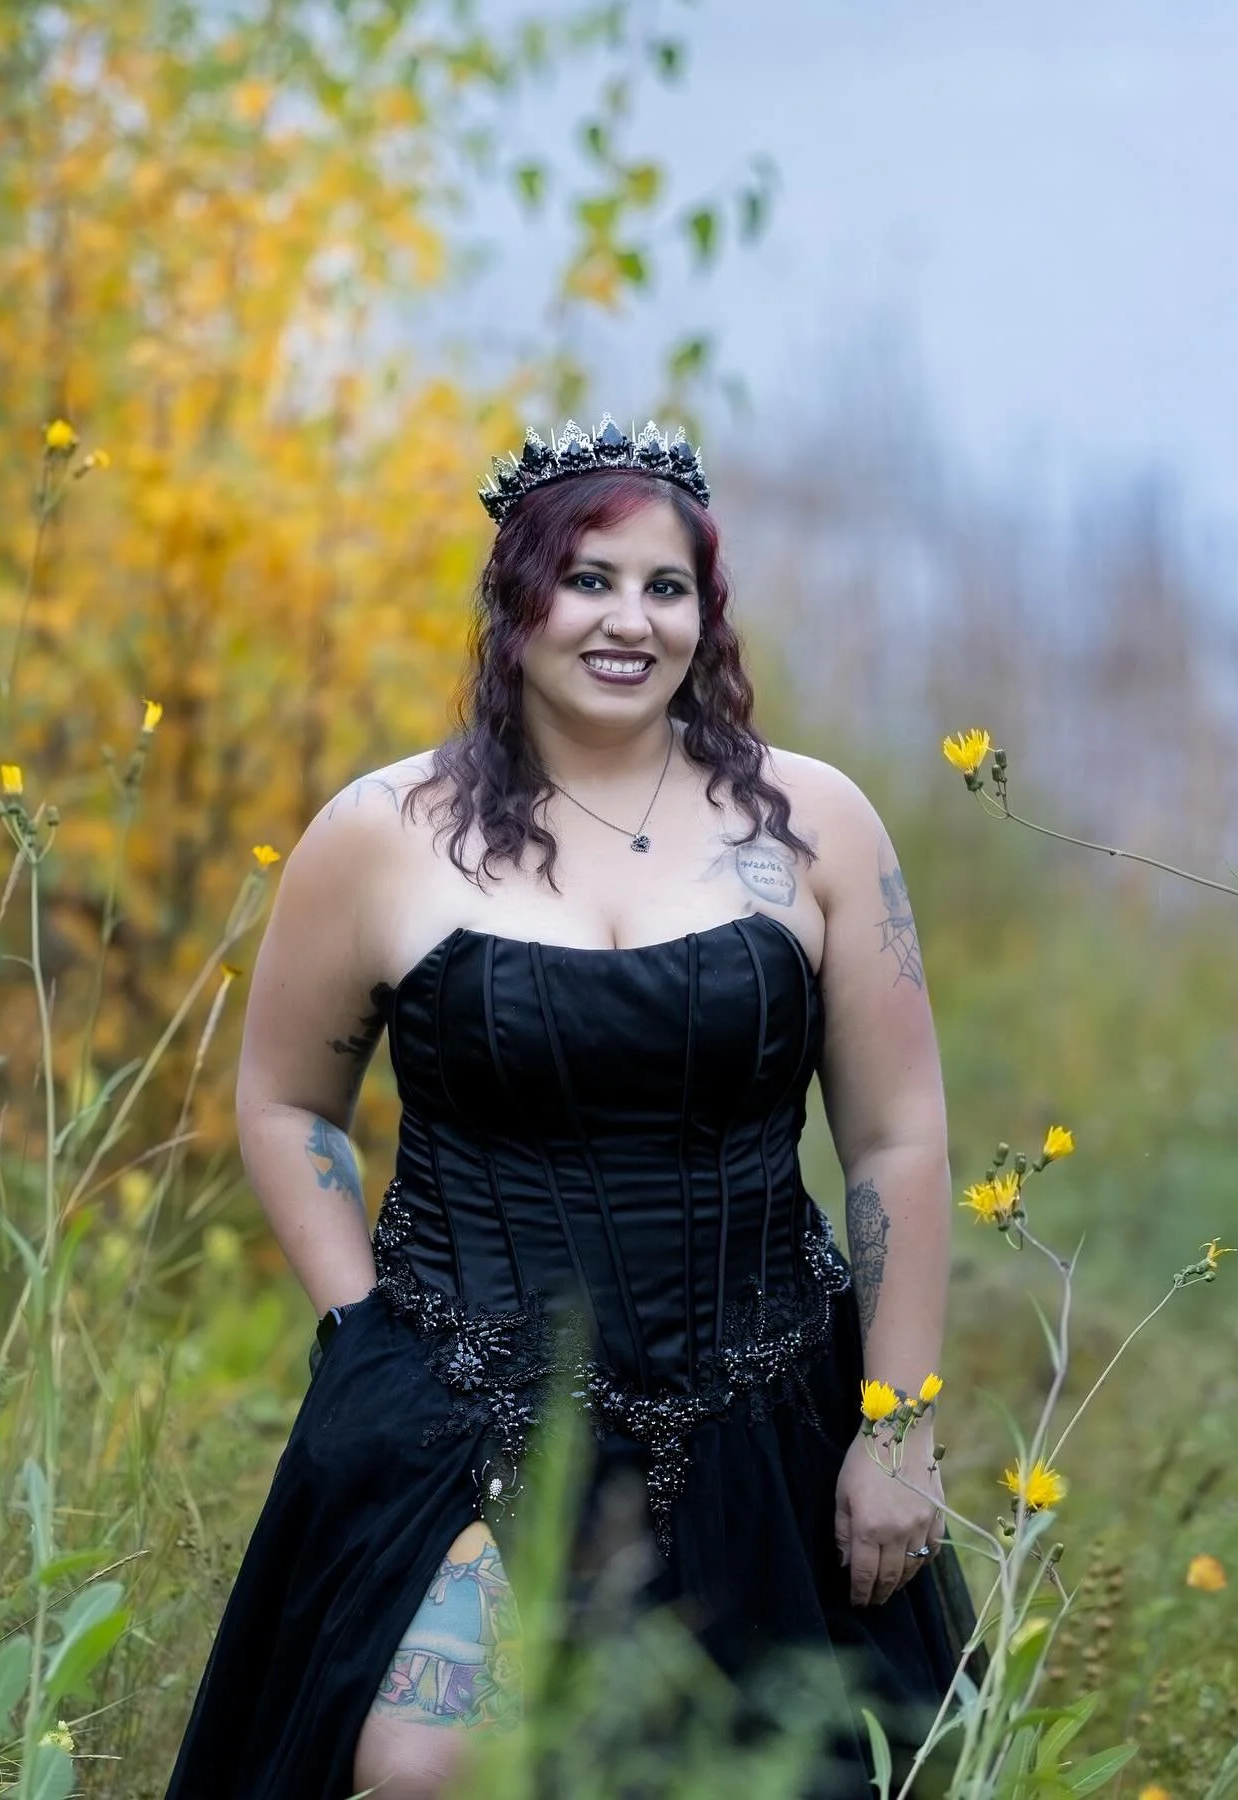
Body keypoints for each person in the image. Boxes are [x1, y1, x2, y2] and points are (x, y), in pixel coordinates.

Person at [164, 417, 975, 1800]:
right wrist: (362, 1331)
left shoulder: (813, 825)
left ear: (705, 615)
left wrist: (894, 1423)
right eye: (588, 578)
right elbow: (286, 1103)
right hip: (463, 1405)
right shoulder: (382, 833)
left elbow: (897, 1138)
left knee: (764, 1774)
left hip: (761, 1405)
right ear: (515, 599)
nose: (629, 620)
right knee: (424, 1768)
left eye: (667, 588)